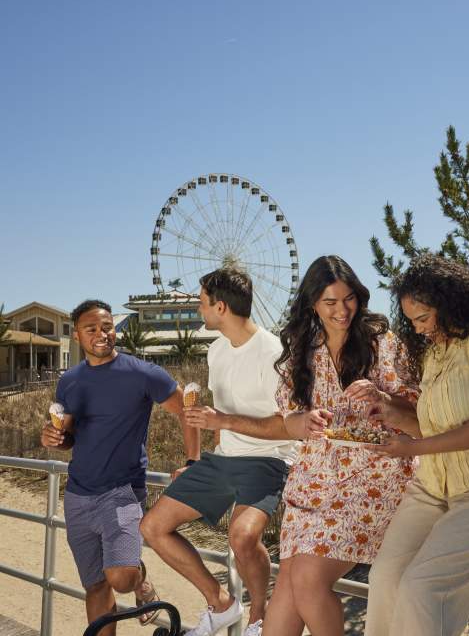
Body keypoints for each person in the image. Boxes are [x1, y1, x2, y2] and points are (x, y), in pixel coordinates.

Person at [363, 253, 469, 636]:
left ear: (450, 302)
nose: (419, 329)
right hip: (435, 486)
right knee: (385, 579)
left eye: (423, 318)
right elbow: (430, 428)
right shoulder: (437, 352)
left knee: (422, 588)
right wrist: (387, 410)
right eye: (412, 322)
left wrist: (410, 450)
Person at [254, 255, 419, 636]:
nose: (342, 310)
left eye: (349, 299)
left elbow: (420, 412)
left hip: (373, 480)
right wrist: (304, 421)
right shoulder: (301, 351)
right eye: (330, 302)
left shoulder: (384, 344)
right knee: (290, 583)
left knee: (309, 578)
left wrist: (382, 398)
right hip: (312, 481)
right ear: (312, 303)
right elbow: (288, 420)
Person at [141, 268, 301, 636]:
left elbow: (288, 425)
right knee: (153, 527)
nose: (199, 309)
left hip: (269, 458)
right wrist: (196, 465)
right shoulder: (215, 351)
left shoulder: (275, 353)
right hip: (222, 460)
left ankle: (259, 616)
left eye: (201, 302)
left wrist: (223, 420)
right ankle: (222, 605)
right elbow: (217, 422)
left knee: (242, 536)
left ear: (221, 306)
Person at [40, 299, 191, 635]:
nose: (101, 333)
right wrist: (54, 438)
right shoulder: (70, 381)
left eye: (106, 326)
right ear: (78, 336)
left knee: (120, 579)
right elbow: (68, 438)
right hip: (78, 495)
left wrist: (192, 461)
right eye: (91, 328)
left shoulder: (143, 373)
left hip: (123, 492)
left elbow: (186, 410)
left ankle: (140, 579)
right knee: (95, 586)